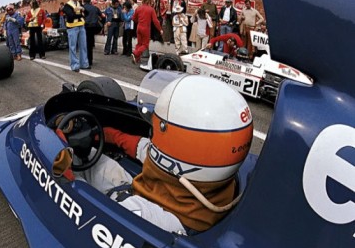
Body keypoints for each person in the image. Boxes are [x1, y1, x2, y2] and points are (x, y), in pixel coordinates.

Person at [74, 75, 253, 234]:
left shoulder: (140, 213)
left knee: (82, 160)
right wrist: (111, 135)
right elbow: (151, 151)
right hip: (175, 201)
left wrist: (63, 164)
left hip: (133, 203)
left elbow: (80, 208)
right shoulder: (217, 179)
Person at [131, 0, 163, 65]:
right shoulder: (151, 9)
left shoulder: (138, 8)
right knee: (145, 45)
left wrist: (139, 21)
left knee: (139, 43)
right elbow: (155, 21)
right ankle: (135, 53)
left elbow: (133, 18)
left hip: (139, 27)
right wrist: (160, 29)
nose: (152, 4)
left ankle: (137, 59)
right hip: (146, 28)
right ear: (149, 1)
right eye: (152, 2)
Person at [63, 0, 89, 72]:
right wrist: (79, 13)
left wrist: (81, 10)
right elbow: (70, 16)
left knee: (83, 46)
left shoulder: (79, 3)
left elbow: (87, 12)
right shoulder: (67, 5)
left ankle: (84, 64)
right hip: (72, 28)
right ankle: (74, 65)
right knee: (73, 47)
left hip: (81, 26)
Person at [83, 0, 104, 66]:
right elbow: (102, 16)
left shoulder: (82, 8)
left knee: (86, 44)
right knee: (90, 44)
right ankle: (90, 60)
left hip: (86, 27)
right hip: (94, 27)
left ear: (83, 1)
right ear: (90, 1)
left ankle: (87, 60)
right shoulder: (95, 8)